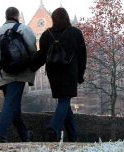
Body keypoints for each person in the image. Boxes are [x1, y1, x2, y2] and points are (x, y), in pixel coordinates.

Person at [0, 7, 36, 143]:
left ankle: (25, 135)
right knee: (10, 104)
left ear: (6, 16)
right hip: (18, 74)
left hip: (2, 75)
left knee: (14, 107)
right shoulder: (23, 29)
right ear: (16, 16)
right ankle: (0, 134)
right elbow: (33, 47)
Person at [32, 7, 87, 142]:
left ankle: (73, 137)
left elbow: (41, 56)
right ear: (67, 18)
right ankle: (53, 127)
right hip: (69, 72)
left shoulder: (46, 35)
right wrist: (80, 74)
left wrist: (29, 67)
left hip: (53, 73)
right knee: (64, 100)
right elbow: (82, 56)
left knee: (64, 101)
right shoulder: (75, 33)